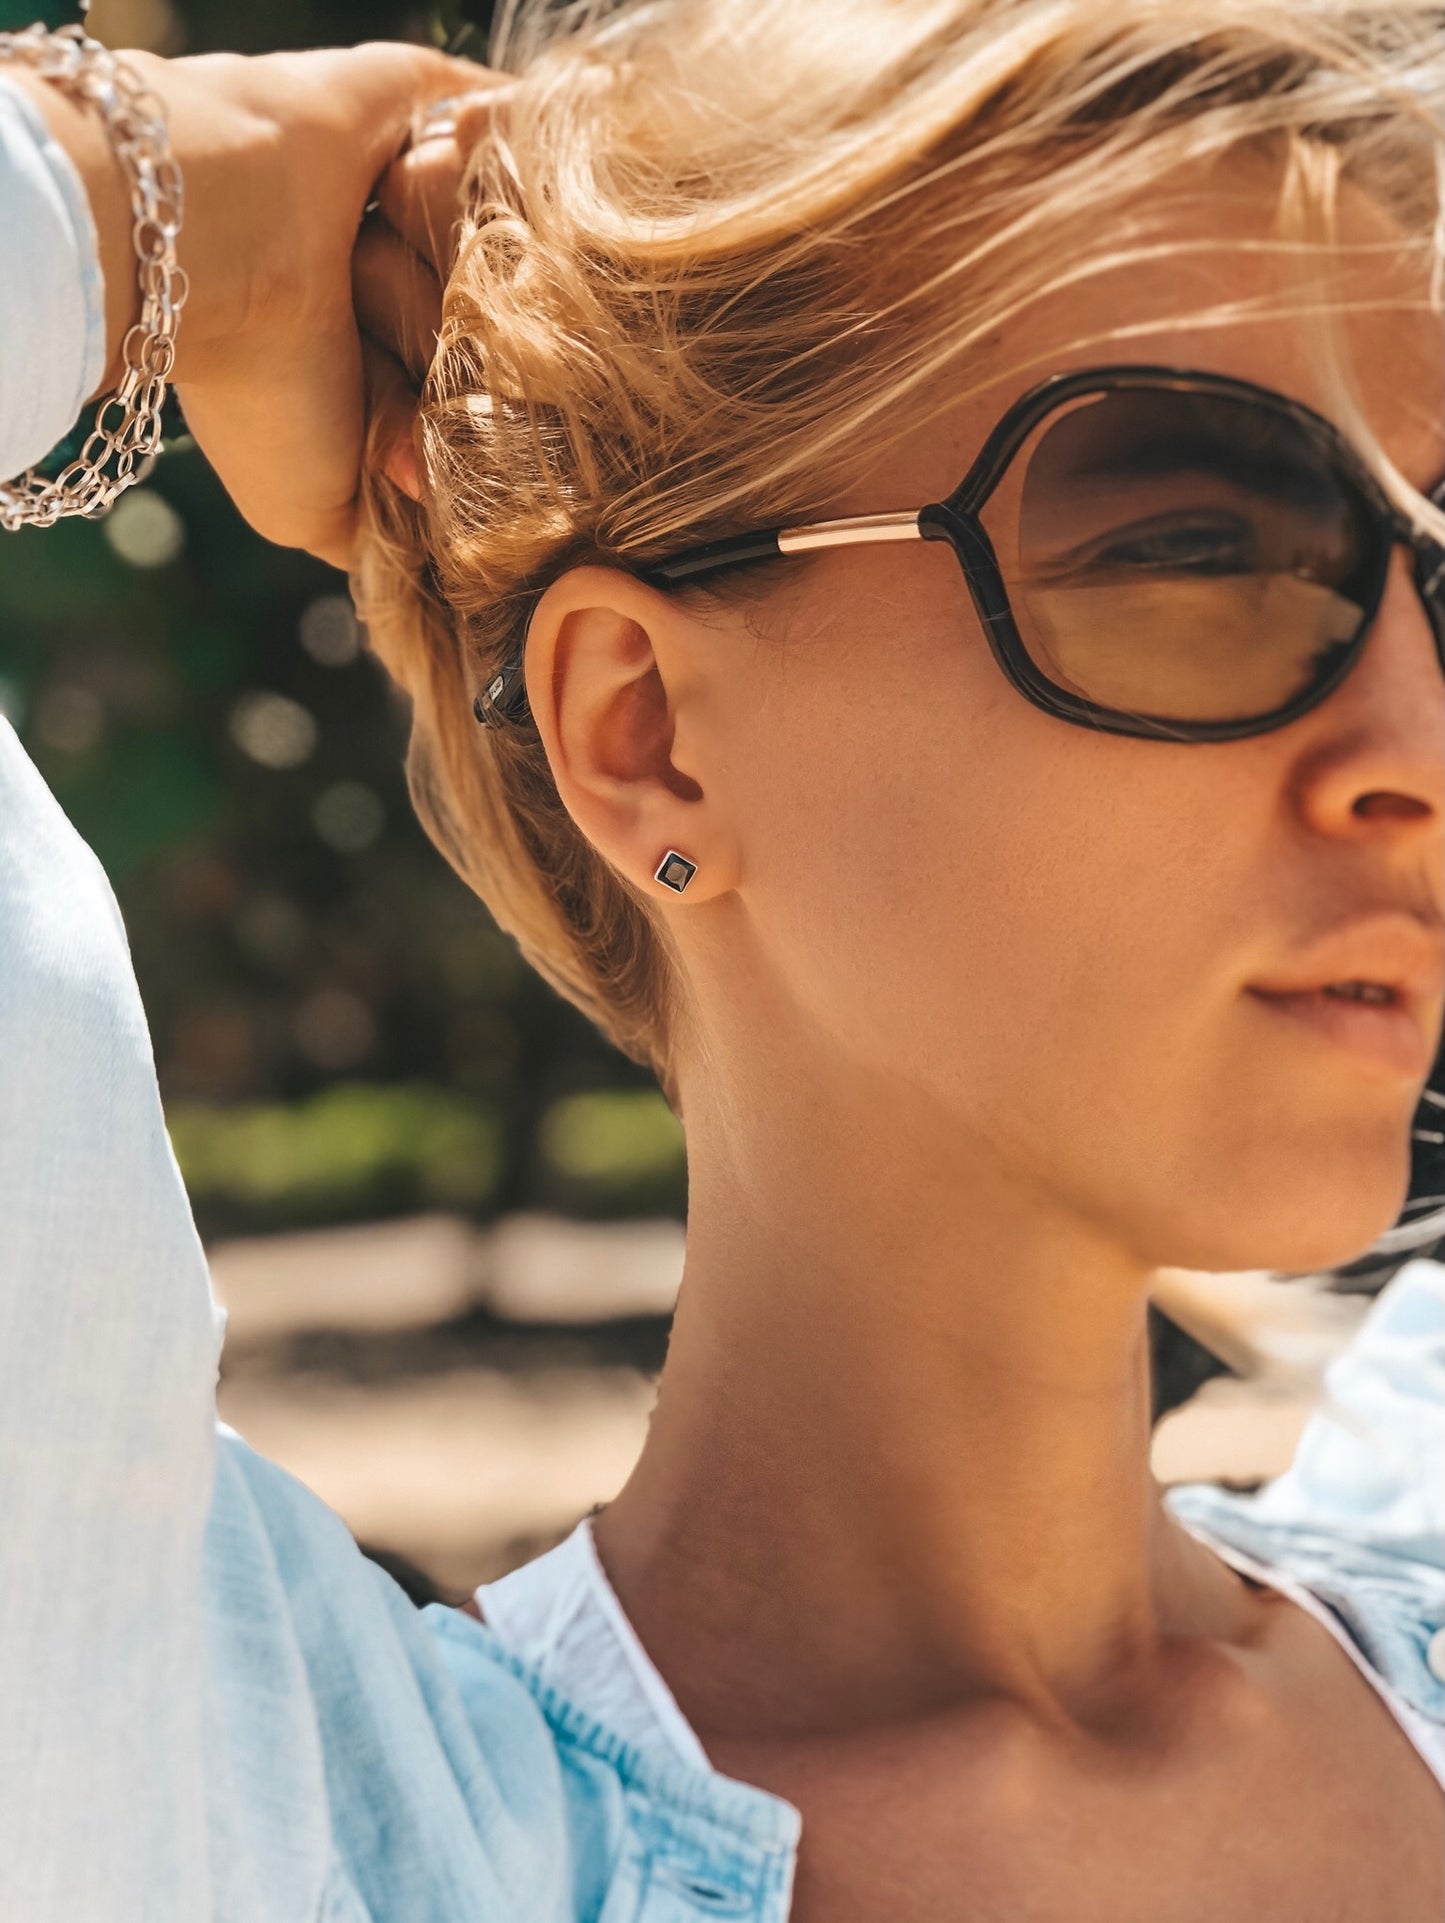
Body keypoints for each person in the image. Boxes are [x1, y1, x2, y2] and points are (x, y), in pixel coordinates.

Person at [0, 2, 1442, 1918]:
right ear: (642, 730)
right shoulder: (273, 1836)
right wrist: (169, 190)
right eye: (1193, 545)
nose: (1409, 753)